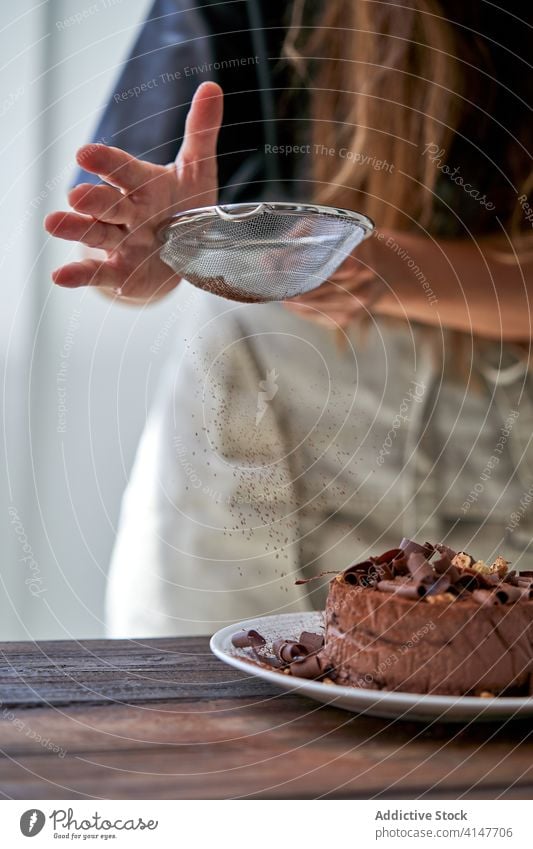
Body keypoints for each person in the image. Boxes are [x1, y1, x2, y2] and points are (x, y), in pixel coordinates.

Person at [44, 1, 533, 637]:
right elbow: (114, 249)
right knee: (213, 710)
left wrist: (386, 269)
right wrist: (151, 247)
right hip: (258, 409)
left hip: (507, 443)